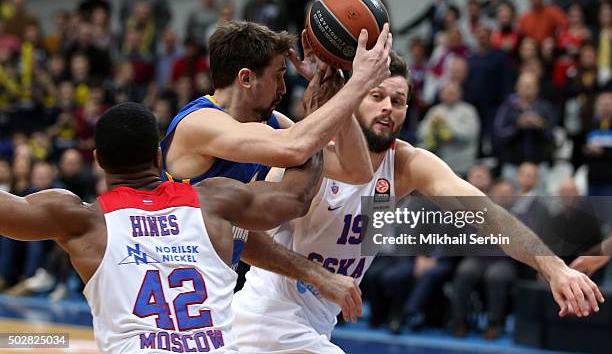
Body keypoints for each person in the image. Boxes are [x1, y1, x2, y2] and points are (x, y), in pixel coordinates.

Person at [232, 52, 605, 354]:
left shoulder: (408, 165)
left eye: (397, 101)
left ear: (407, 112)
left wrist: (554, 268)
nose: (386, 108)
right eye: (376, 96)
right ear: (354, 100)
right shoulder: (309, 157)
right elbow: (245, 240)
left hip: (314, 326)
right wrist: (319, 276)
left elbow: (487, 215)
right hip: (265, 320)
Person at [0, 102, 329, 353]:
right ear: (159, 157)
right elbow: (295, 196)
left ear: (98, 161)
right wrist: (310, 125)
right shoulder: (215, 200)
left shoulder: (83, 220)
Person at [161, 20, 391, 305]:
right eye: (278, 76)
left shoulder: (269, 124)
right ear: (246, 79)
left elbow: (356, 171)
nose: (284, 88)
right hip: (164, 294)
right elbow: (297, 148)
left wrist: (333, 93)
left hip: (209, 299)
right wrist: (359, 84)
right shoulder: (199, 124)